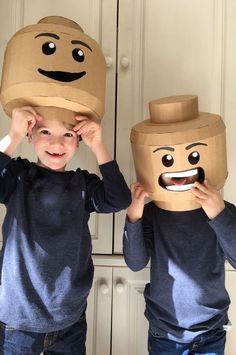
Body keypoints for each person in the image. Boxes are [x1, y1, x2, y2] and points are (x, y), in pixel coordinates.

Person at [0, 106, 131, 355]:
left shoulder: (82, 184)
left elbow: (119, 199)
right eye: (45, 131)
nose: (57, 143)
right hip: (18, 320)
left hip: (69, 318)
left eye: (69, 134)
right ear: (30, 135)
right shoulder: (17, 177)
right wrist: (13, 134)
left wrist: (98, 144)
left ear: (79, 140)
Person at [123, 179, 236, 355]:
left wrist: (219, 214)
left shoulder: (222, 208)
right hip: (165, 332)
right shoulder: (153, 212)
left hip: (211, 331)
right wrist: (134, 217)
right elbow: (136, 263)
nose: (180, 179)